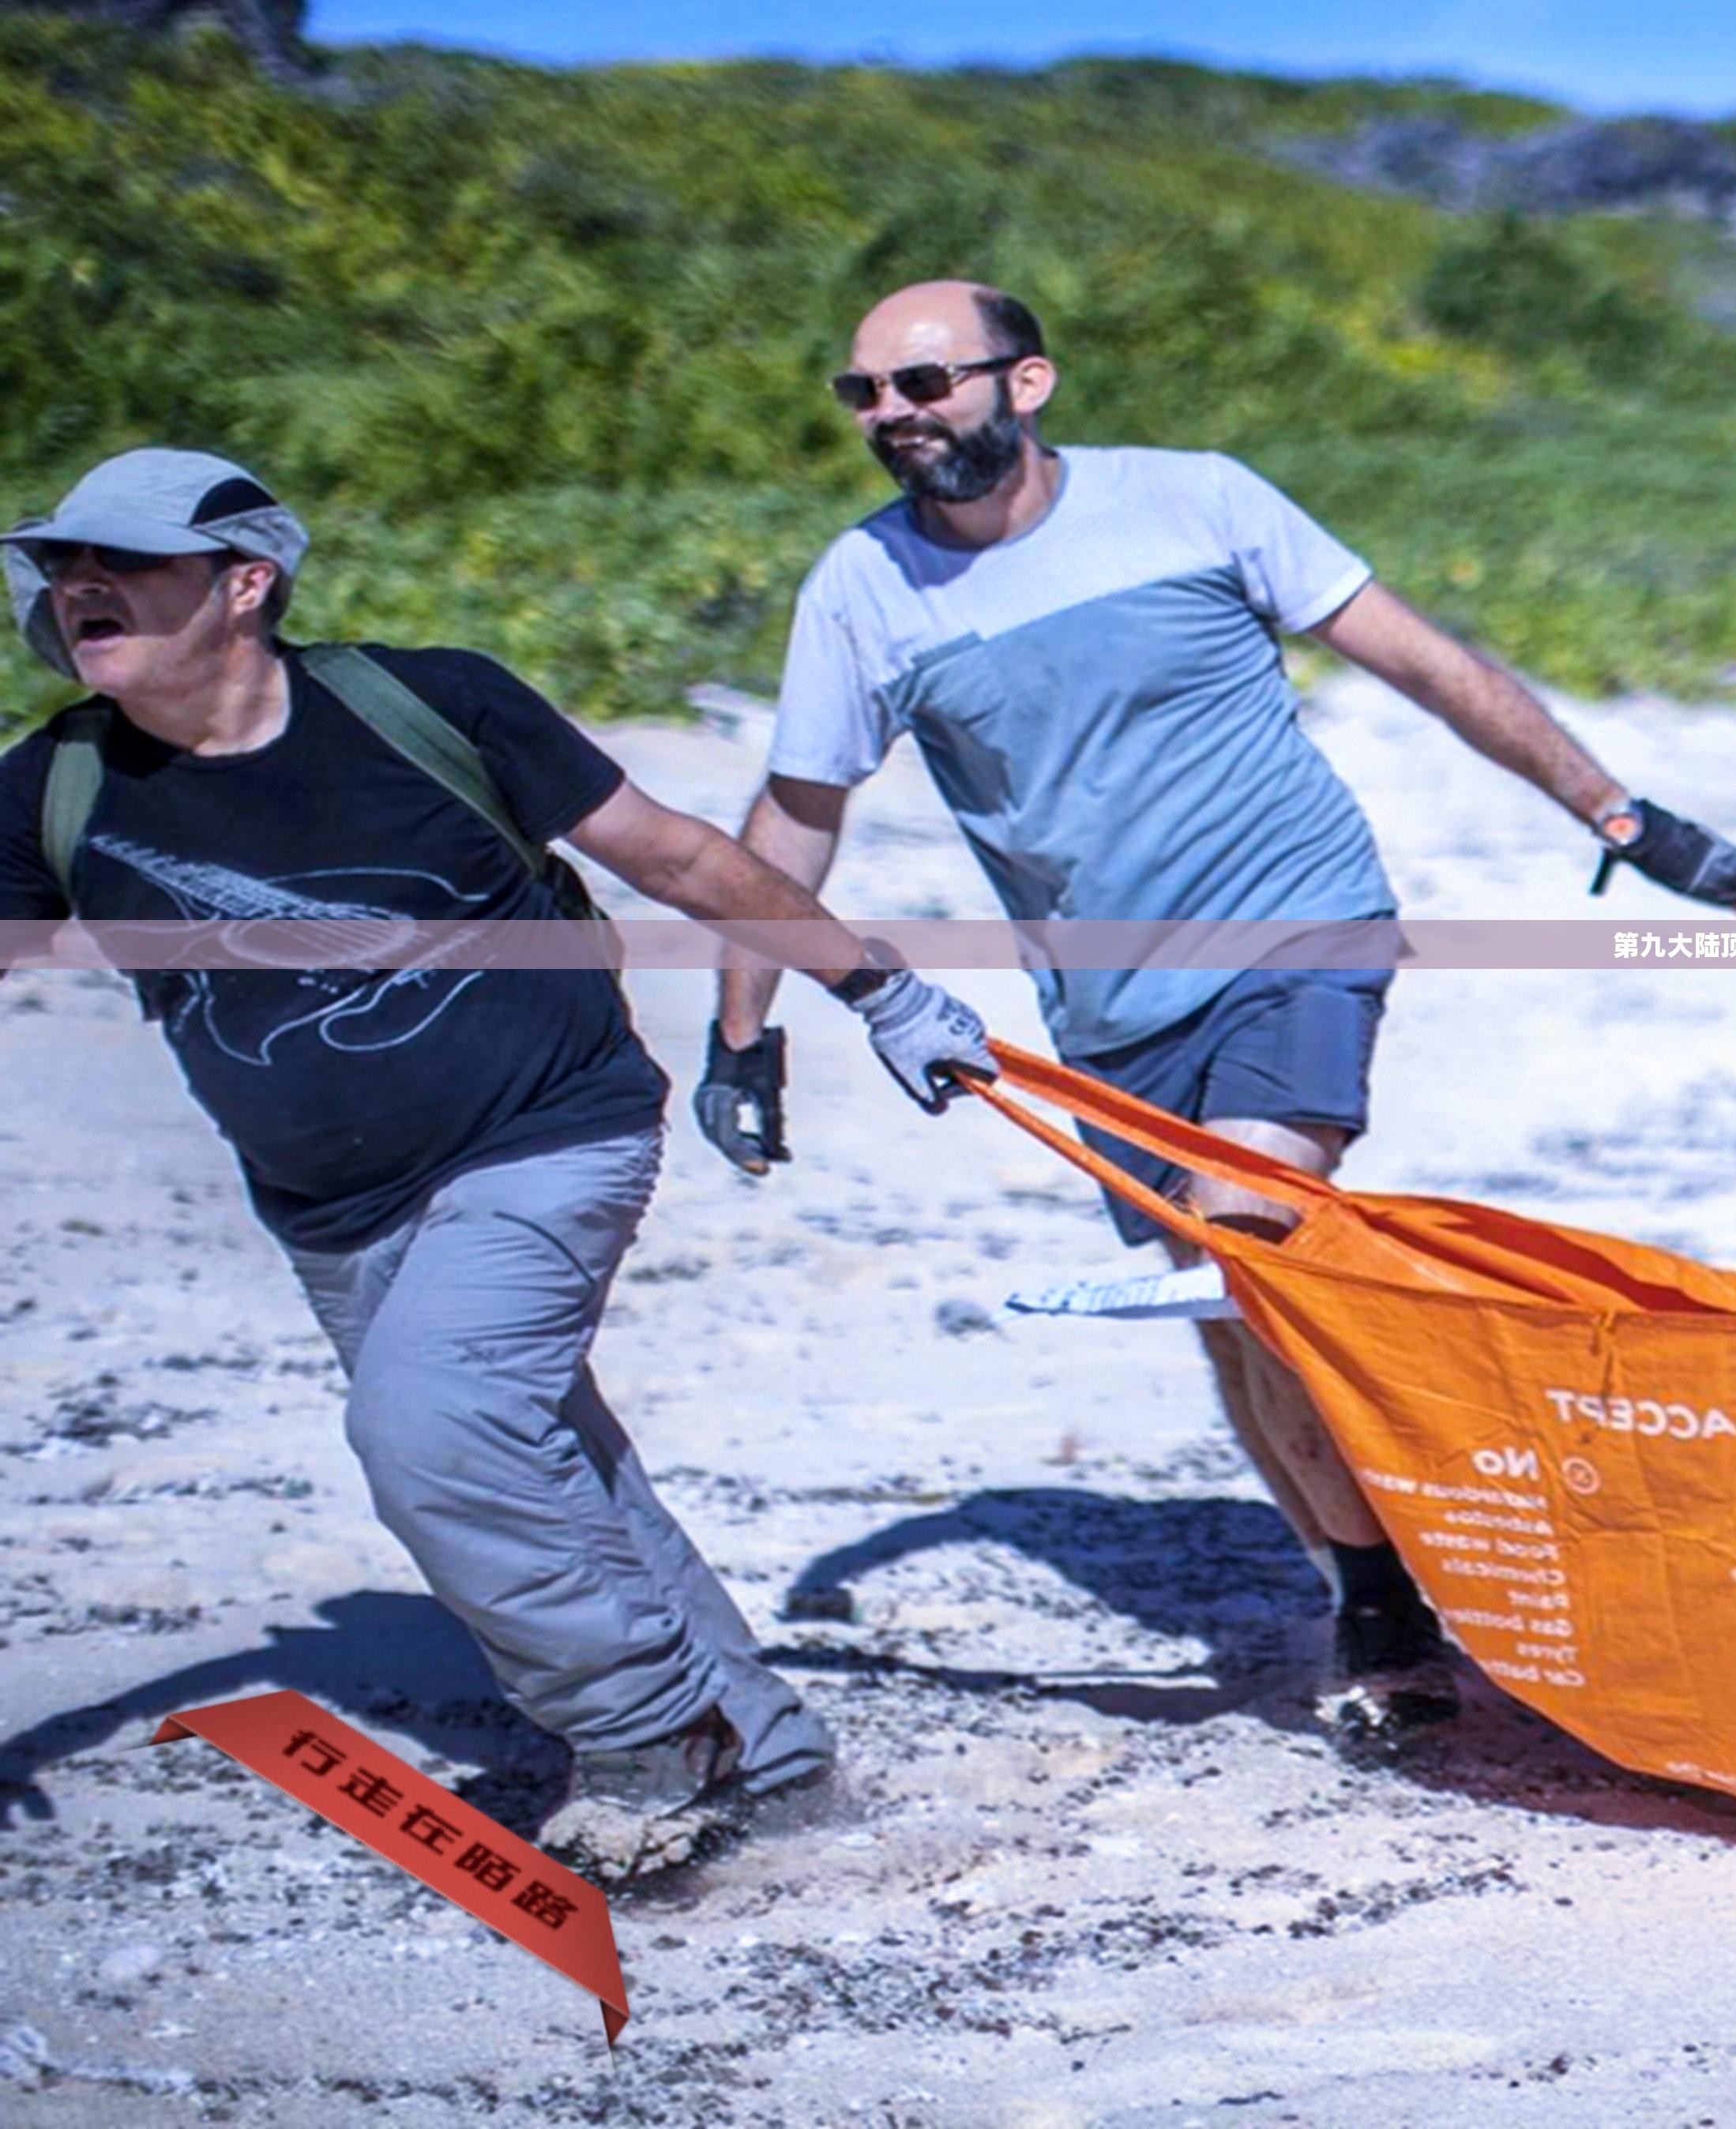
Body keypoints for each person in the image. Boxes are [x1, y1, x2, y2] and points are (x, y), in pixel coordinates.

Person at [714, 281, 1736, 1695]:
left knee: (1256, 1235)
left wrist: (1620, 815)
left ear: (1026, 384)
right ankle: (1364, 1574)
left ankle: (1396, 1606)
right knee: (1221, 1302)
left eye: (925, 385)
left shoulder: (1196, 501)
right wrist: (740, 1038)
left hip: (1301, 923)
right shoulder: (863, 586)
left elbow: (1425, 661)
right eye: (868, 397)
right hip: (1104, 1012)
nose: (894, 418)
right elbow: (793, 818)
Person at [0, 448, 995, 1879]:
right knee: (546, 1461)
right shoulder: (60, 785)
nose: (76, 585)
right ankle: (765, 1752)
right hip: (331, 1206)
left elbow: (680, 857)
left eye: (121, 561)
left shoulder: (426, 704)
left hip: (549, 1130)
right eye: (62, 564)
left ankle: (645, 1741)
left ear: (244, 584)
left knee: (433, 1428)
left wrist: (878, 990)